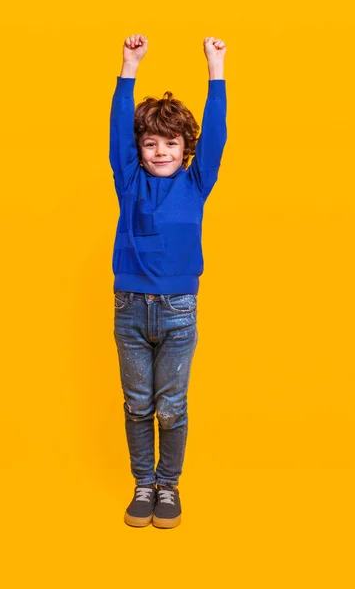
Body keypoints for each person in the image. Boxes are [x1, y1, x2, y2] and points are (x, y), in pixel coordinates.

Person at [110, 33, 227, 528]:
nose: (160, 151)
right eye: (150, 143)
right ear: (138, 149)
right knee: (138, 405)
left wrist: (215, 71)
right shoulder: (129, 179)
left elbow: (218, 135)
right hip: (130, 308)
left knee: (171, 407)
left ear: (186, 150)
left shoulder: (196, 183)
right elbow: (117, 133)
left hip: (179, 309)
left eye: (171, 144)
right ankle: (143, 484)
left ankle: (169, 486)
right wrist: (129, 67)